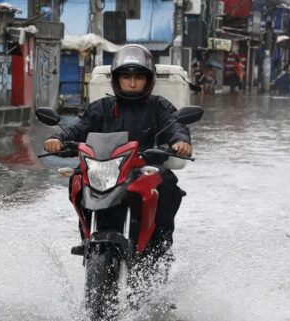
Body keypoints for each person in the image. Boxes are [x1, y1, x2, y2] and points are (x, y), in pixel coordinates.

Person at [43, 44, 192, 262]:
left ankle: (159, 248)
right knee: (77, 178)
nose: (132, 83)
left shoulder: (159, 106)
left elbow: (175, 124)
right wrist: (58, 139)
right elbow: (78, 127)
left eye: (139, 77)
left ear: (148, 80)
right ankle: (86, 235)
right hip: (105, 167)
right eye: (126, 77)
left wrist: (180, 141)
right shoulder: (100, 107)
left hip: (143, 167)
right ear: (116, 79)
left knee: (168, 186)